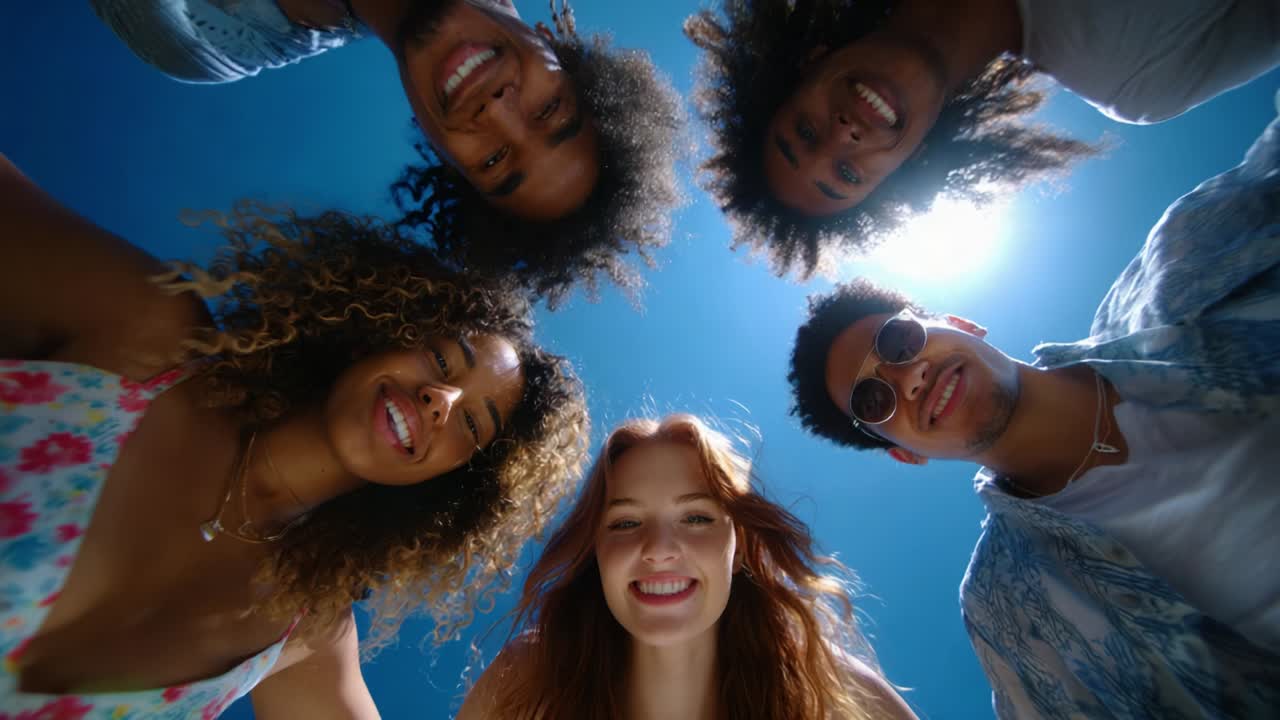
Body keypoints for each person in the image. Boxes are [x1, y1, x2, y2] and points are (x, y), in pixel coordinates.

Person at [0, 154, 589, 718]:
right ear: (382, 331)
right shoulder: (148, 341)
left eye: (471, 425)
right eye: (441, 358)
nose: (443, 399)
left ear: (452, 482)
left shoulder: (307, 629)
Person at [786, 108, 1280, 716]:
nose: (907, 377)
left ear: (957, 321)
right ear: (905, 453)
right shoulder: (1013, 611)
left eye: (897, 340)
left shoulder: (1186, 269)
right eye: (873, 399)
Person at [91, 0, 685, 305]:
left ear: (437, 150)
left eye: (495, 161)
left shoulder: (193, 36)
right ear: (558, 45)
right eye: (550, 110)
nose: (498, 111)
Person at [685, 0, 1280, 277]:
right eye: (847, 175)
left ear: (809, 63)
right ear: (912, 160)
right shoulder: (1139, 77)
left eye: (805, 131)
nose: (843, 135)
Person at [456, 413, 918, 720]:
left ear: (740, 549)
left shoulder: (832, 693)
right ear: (595, 552)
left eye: (696, 517)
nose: (658, 548)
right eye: (626, 522)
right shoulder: (530, 680)